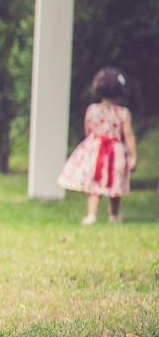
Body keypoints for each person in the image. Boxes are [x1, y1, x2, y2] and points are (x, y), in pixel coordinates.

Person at [57, 67, 138, 224]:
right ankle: (113, 215)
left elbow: (88, 129)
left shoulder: (92, 110)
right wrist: (133, 155)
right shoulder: (123, 113)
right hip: (115, 152)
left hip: (96, 150)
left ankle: (91, 214)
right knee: (115, 184)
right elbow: (128, 135)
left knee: (95, 184)